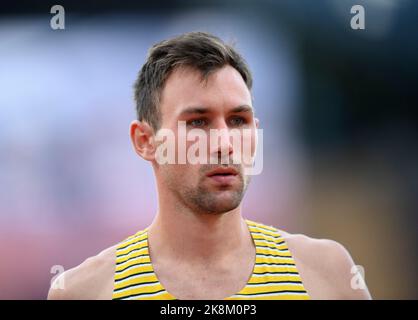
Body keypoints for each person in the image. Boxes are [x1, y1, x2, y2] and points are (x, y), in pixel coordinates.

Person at [48, 32, 372, 300]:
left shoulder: (327, 275)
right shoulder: (86, 291)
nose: (223, 143)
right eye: (198, 122)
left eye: (237, 120)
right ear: (145, 141)